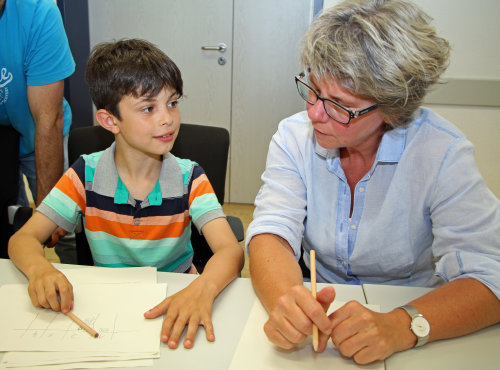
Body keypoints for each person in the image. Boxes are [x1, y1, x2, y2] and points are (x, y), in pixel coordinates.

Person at [246, 0, 500, 365]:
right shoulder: (292, 138)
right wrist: (288, 302)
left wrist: (403, 325)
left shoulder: (441, 153)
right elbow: (271, 231)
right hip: (323, 313)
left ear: (394, 108)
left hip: (411, 311)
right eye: (314, 89)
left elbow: (489, 274)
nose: (314, 113)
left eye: (340, 105)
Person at [8, 38, 244, 349]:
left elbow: (231, 251)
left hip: (179, 299)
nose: (167, 118)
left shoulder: (190, 178)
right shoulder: (85, 175)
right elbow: (22, 239)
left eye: (172, 103)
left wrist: (203, 287)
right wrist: (40, 270)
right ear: (109, 120)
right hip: (109, 306)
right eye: (148, 108)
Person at [0, 0, 76, 262]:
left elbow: (48, 119)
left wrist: (47, 212)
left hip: (42, 129)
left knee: (62, 224)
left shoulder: (38, 12)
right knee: (10, 221)